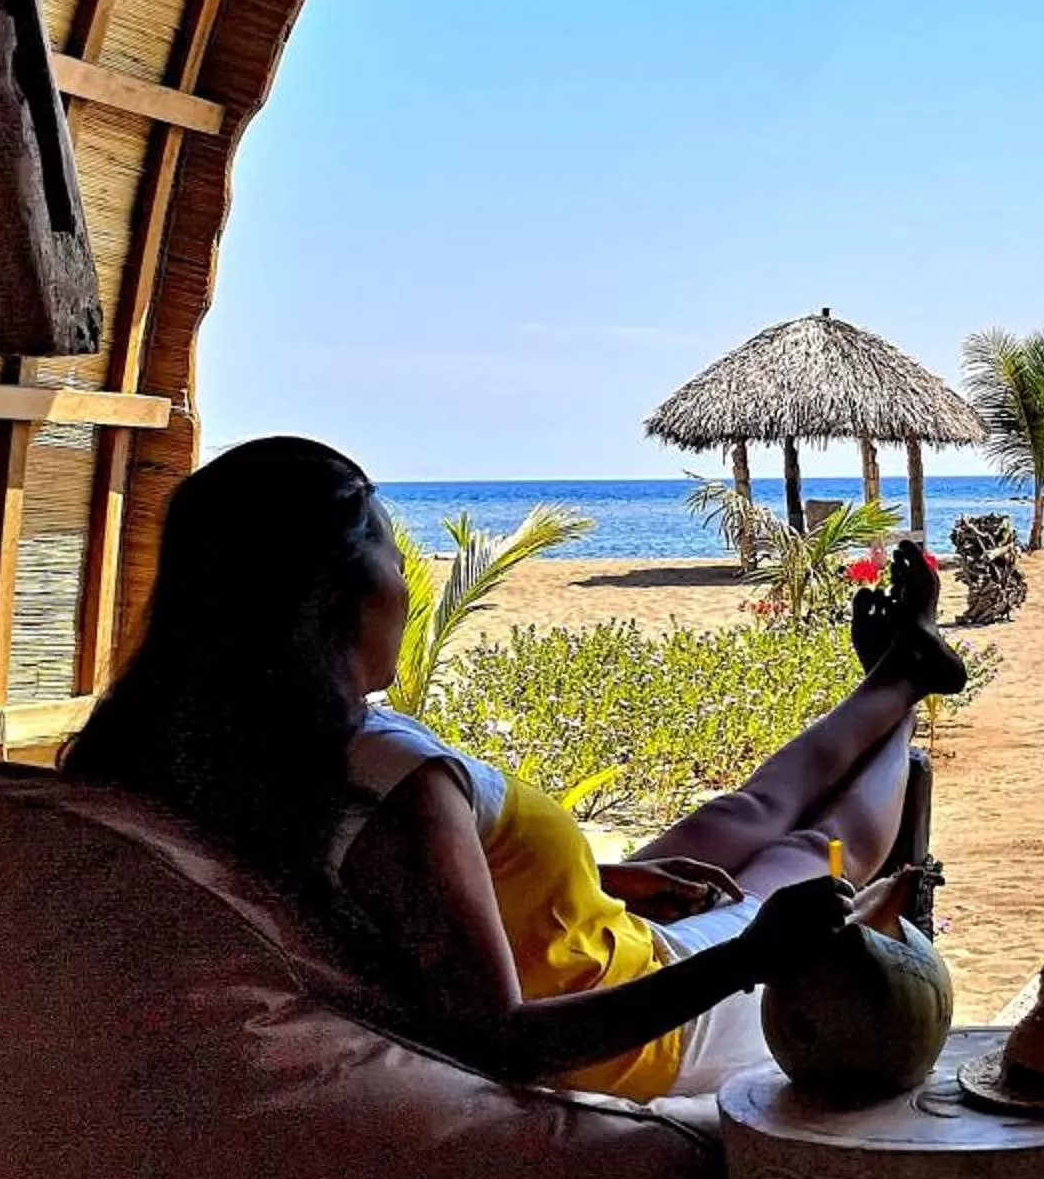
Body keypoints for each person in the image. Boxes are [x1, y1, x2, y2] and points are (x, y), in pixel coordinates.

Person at [65, 436, 966, 1100]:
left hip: (583, 927)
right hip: (639, 1027)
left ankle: (897, 676)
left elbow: (363, 894)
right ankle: (906, 687)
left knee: (737, 818)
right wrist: (756, 958)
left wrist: (616, 876)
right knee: (813, 840)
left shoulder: (219, 752)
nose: (408, 578)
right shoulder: (391, 783)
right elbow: (504, 1039)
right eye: (390, 545)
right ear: (338, 591)